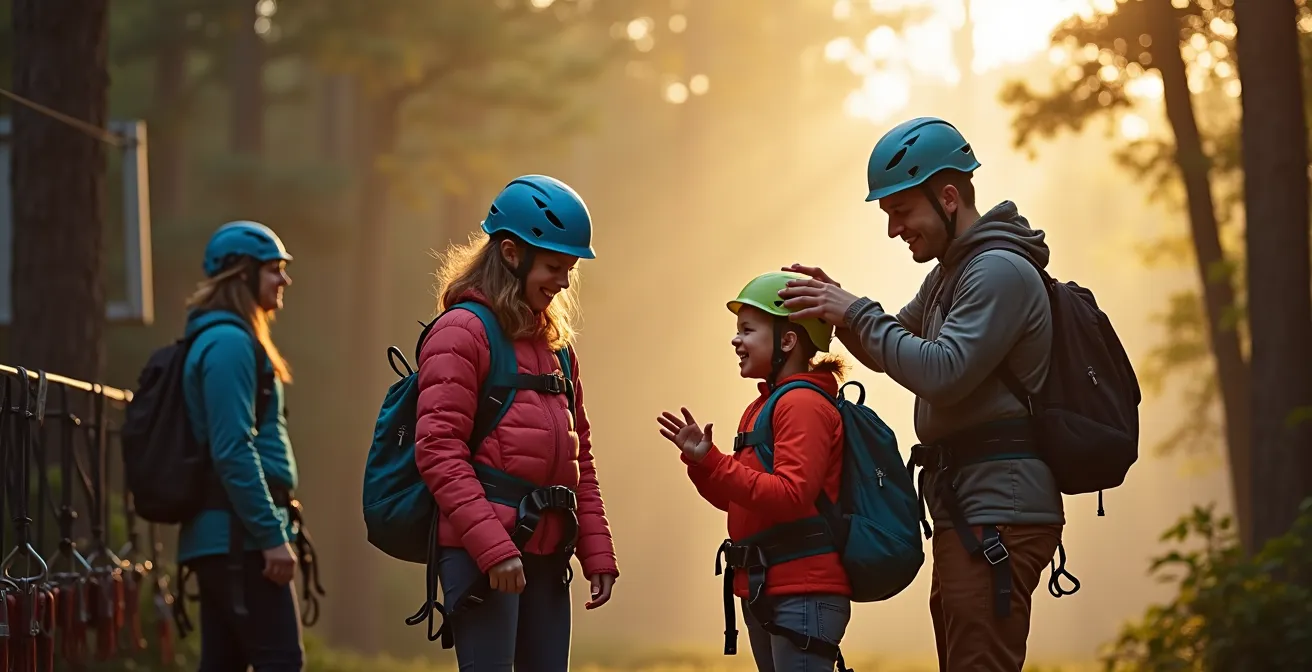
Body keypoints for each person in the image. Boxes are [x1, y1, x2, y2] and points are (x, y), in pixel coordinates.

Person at [777, 116, 1065, 671]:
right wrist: (834, 305)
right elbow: (894, 347)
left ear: (949, 196)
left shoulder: (997, 271)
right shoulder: (950, 274)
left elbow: (941, 371)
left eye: (901, 211)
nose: (893, 229)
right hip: (971, 506)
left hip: (998, 507)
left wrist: (854, 312)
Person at [414, 175, 619, 670]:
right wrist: (492, 549)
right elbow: (438, 451)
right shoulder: (461, 332)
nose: (564, 281)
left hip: (549, 552)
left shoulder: (556, 348)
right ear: (510, 253)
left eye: (569, 268)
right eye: (554, 266)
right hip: (484, 555)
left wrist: (597, 551)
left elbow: (579, 456)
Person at [657, 271, 852, 672]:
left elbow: (790, 495)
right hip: (772, 587)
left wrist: (716, 463)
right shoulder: (765, 405)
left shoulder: (801, 404)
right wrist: (702, 464)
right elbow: (743, 500)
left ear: (787, 340)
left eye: (748, 329)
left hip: (802, 588)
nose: (736, 340)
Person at [179, 220, 305, 672]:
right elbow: (232, 448)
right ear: (241, 274)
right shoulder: (230, 344)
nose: (284, 280)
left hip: (228, 538)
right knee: (280, 661)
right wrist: (271, 536)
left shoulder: (221, 338)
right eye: (274, 269)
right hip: (240, 541)